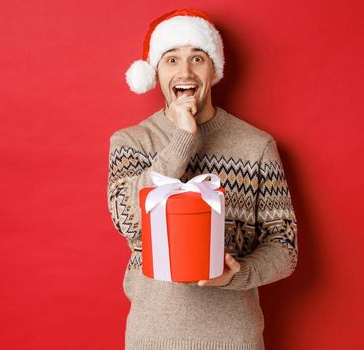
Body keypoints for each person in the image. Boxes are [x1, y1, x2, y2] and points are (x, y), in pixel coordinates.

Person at [107, 8, 298, 349]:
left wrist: (237, 274)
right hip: (152, 337)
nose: (185, 71)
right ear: (155, 72)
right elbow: (126, 220)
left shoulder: (256, 146)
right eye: (171, 60)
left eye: (197, 58)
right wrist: (182, 139)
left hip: (233, 338)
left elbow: (284, 246)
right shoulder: (131, 142)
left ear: (214, 69)